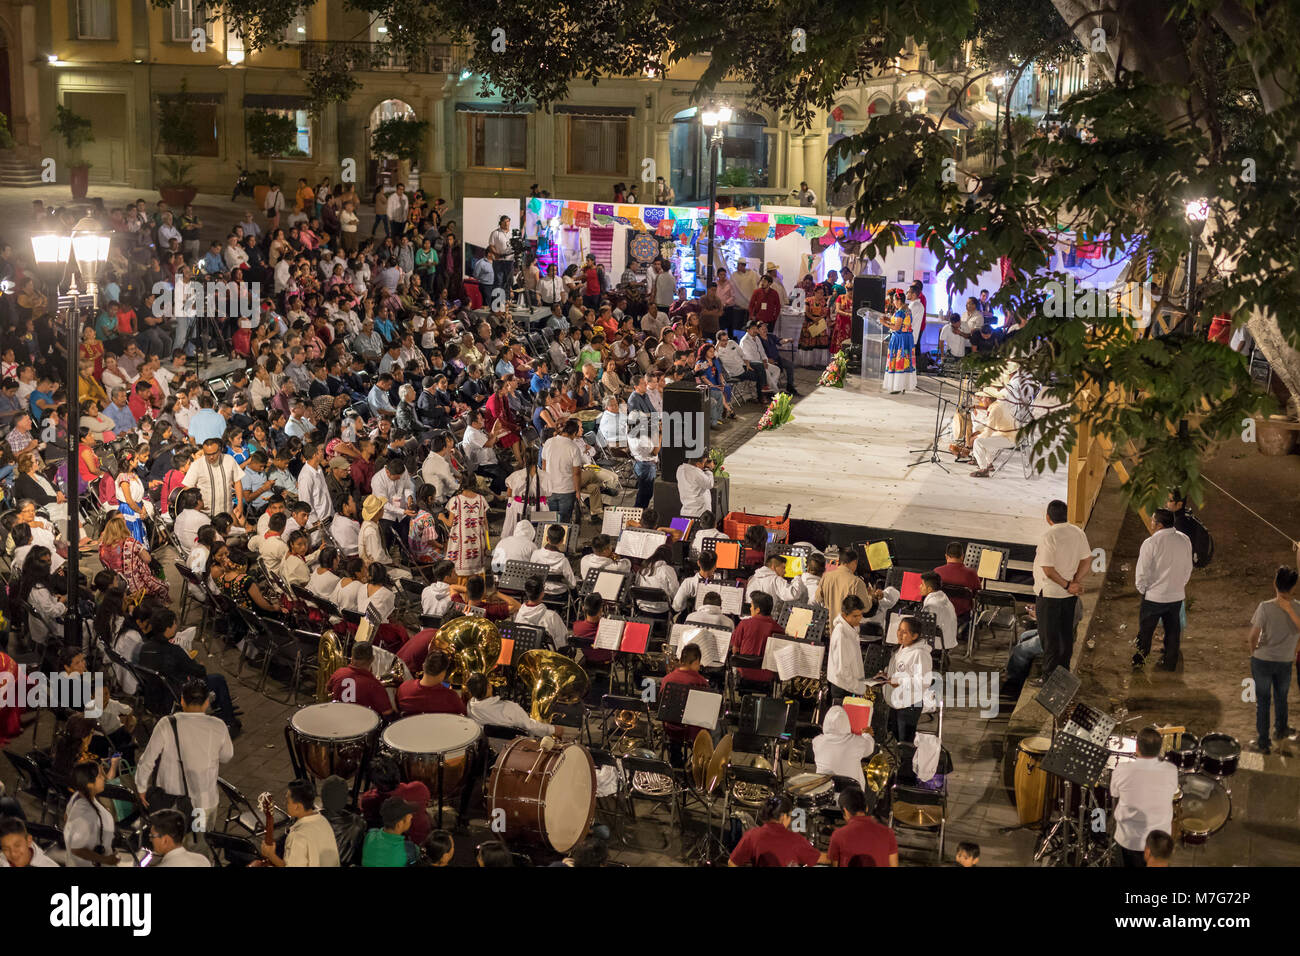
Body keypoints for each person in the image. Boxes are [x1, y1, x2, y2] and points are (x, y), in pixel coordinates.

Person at [135, 678, 235, 852]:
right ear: (206, 702)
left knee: (173, 848)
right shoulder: (218, 726)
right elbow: (227, 756)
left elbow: (147, 759)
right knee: (199, 846)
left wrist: (141, 786)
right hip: (203, 802)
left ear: (181, 700)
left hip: (171, 802)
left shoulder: (167, 724)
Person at [1033, 499, 1092, 679]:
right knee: (1065, 635)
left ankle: (1049, 678)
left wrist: (1067, 584)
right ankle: (1063, 675)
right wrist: (1075, 582)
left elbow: (1048, 570)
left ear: (1048, 517)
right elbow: (1087, 560)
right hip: (1069, 595)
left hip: (1050, 594)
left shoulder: (1049, 536)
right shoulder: (1078, 532)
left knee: (1049, 639)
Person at [1132, 508, 1194, 671]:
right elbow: (1188, 567)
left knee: (1146, 631)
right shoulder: (1184, 540)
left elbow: (1142, 571)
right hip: (1176, 596)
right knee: (1173, 630)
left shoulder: (1151, 543)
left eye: (1153, 520)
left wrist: (1143, 590)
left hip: (1153, 597)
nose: (1151, 523)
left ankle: (1139, 661)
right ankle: (1170, 663)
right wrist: (1179, 586)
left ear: (1158, 525)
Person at [1247, 565, 1300, 754]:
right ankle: (1281, 730)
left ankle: (1263, 743)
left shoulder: (1265, 607)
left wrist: (1254, 652)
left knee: (1263, 702)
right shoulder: (1298, 609)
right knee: (1281, 698)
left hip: (1262, 660)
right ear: (1294, 587)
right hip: (1285, 661)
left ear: (1274, 584)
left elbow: (1253, 636)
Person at [1109, 726, 1179, 867]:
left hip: (1129, 841)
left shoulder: (1122, 770)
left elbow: (1114, 793)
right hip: (1159, 844)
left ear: (1136, 747)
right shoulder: (1171, 770)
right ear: (1159, 749)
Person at [258, 778, 341, 867]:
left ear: (297, 807)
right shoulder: (323, 820)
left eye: (287, 801)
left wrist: (270, 855)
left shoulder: (297, 836)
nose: (285, 804)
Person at [728, 793, 820, 867]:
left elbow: (732, 863)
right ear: (783, 817)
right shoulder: (795, 839)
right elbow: (820, 858)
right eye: (790, 816)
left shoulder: (752, 835)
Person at [466, 672, 556, 741]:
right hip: (518, 749)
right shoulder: (509, 708)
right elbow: (530, 726)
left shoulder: (470, 706)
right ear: (489, 687)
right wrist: (552, 729)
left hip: (489, 748)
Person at [881, 616, 930, 744]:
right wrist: (885, 675)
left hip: (909, 705)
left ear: (914, 636)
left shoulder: (920, 654)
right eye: (899, 630)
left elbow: (923, 682)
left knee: (905, 743)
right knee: (897, 740)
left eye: (904, 632)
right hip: (896, 703)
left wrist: (899, 682)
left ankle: (907, 764)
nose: (899, 634)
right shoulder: (901, 649)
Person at [63, 760, 119, 867]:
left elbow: (66, 818)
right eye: (99, 776)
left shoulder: (77, 796)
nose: (103, 778)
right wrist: (106, 859)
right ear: (89, 784)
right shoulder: (85, 812)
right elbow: (77, 849)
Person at [825, 786, 897, 867]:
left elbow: (835, 865)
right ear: (866, 808)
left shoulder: (838, 835)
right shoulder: (888, 833)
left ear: (845, 811)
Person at [327, 641, 396, 718]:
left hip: (337, 719)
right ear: (372, 659)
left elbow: (328, 690)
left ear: (352, 658)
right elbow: (388, 713)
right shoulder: (375, 685)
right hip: (361, 726)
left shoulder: (338, 673)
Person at [812, 704, 874, 789]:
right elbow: (869, 749)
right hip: (851, 793)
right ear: (846, 722)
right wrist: (867, 735)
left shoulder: (817, 741)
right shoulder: (857, 742)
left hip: (825, 791)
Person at [729, 591, 782, 683]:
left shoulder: (744, 624)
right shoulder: (779, 629)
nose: (750, 608)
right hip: (768, 676)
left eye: (751, 606)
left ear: (757, 610)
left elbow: (735, 649)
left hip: (743, 673)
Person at [444, 472, 490, 576]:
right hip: (477, 542)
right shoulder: (481, 499)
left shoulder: (455, 500)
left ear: (461, 482)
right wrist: (487, 543)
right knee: (477, 573)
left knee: (460, 573)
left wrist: (442, 517)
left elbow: (450, 523)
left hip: (460, 544)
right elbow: (485, 524)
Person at [396, 649, 467, 716]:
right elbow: (463, 714)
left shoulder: (404, 688)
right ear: (443, 673)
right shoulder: (451, 697)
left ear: (423, 666)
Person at [815, 546, 879, 620]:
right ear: (854, 562)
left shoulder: (826, 576)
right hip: (845, 626)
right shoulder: (856, 582)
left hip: (828, 625)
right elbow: (865, 608)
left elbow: (818, 598)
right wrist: (870, 596)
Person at [968, 389, 1019, 478]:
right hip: (1010, 435)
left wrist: (975, 437)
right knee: (986, 439)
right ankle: (989, 464)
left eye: (982, 398)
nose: (981, 400)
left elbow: (988, 431)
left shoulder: (995, 409)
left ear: (988, 399)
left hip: (1009, 438)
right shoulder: (998, 405)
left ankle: (983, 469)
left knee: (978, 442)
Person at [826, 596, 868, 700]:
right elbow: (842, 670)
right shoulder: (841, 634)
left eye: (860, 615)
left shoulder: (851, 628)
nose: (859, 618)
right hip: (843, 688)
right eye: (855, 616)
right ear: (844, 615)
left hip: (848, 686)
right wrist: (857, 687)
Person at [513, 575, 569, 648]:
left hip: (524, 656)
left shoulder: (517, 615)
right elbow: (563, 642)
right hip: (545, 657)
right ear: (542, 593)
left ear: (526, 592)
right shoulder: (551, 616)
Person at [881, 290, 918, 393]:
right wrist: (888, 320)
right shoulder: (907, 309)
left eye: (894, 300)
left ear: (899, 300)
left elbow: (897, 327)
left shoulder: (900, 312)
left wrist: (884, 323)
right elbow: (901, 324)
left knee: (899, 361)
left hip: (899, 339)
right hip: (906, 339)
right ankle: (903, 385)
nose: (893, 303)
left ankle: (897, 386)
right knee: (905, 361)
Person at [362, 797, 416, 867]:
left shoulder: (370, 834)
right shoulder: (409, 849)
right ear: (399, 824)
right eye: (409, 817)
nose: (412, 816)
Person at [933, 541, 980, 617]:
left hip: (939, 615)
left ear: (946, 556)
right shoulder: (971, 574)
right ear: (962, 556)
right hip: (962, 616)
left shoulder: (937, 571)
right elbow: (977, 594)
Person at [918, 572, 959, 652]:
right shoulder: (943, 597)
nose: (920, 587)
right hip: (948, 640)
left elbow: (925, 627)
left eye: (922, 585)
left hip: (939, 642)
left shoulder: (931, 605)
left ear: (929, 589)